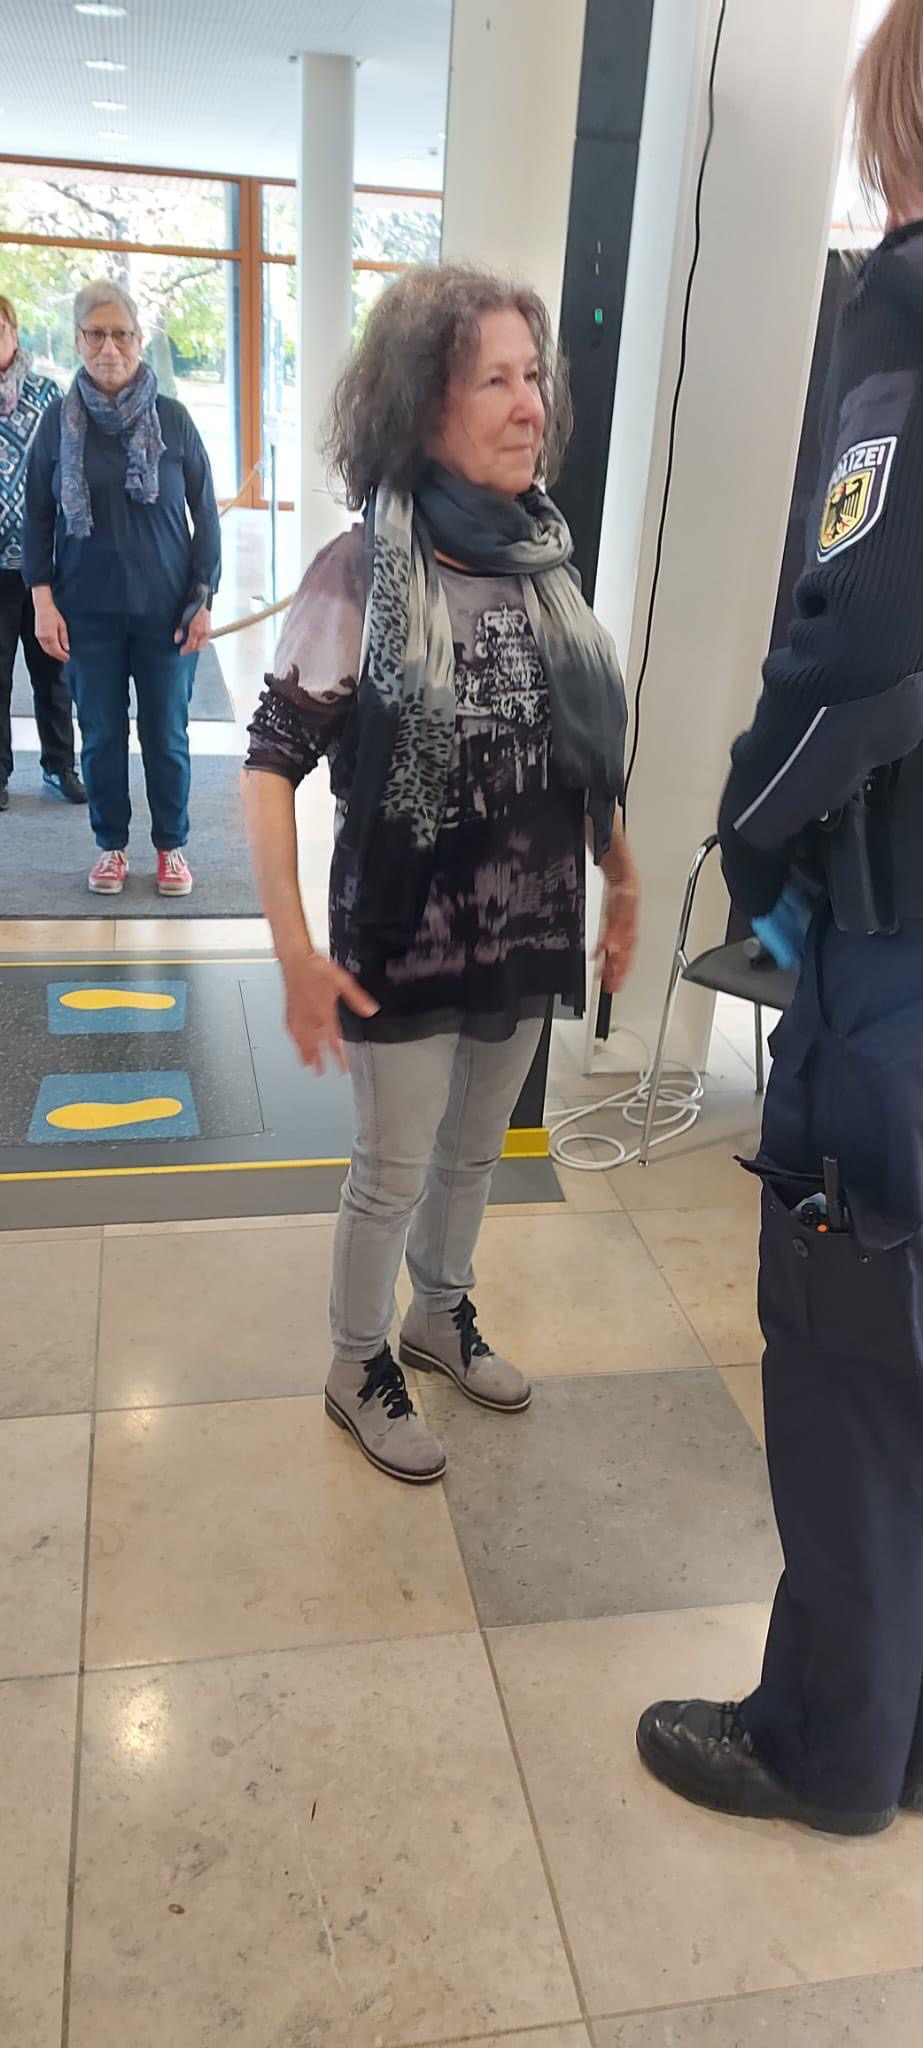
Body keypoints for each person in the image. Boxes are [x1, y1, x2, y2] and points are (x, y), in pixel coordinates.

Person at [639, 0, 923, 1837]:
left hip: (894, 961)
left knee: (845, 1357)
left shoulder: (906, 303)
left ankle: (826, 1744)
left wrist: (744, 838)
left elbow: (853, 636)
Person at [243, 263, 637, 1485]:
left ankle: (438, 1309)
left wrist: (620, 874)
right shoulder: (355, 574)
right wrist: (295, 952)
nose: (530, 406)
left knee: (477, 1154)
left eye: (533, 378)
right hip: (403, 936)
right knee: (390, 1172)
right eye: (495, 382)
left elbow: (579, 757)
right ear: (422, 407)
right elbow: (268, 765)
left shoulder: (544, 562)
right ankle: (354, 1359)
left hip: (527, 922)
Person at [23, 280, 221, 895]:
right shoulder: (57, 422)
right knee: (102, 734)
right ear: (77, 339)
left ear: (139, 339)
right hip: (88, 613)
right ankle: (110, 846)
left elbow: (205, 513)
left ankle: (170, 846)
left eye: (121, 334)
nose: (109, 347)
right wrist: (43, 600)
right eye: (96, 334)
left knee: (166, 735)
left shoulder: (174, 419)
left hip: (167, 613)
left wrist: (203, 596)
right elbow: (37, 518)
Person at [0, 294, 85, 813]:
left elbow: (69, 466)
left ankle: (59, 764)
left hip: (43, 563)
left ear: (14, 332)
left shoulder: (48, 395)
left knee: (52, 671)